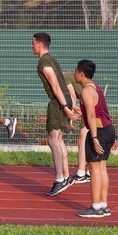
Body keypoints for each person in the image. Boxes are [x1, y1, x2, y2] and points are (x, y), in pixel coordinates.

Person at [32, 32, 79, 196]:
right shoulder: (51, 59)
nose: (31, 46)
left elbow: (56, 85)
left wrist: (65, 107)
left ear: (39, 44)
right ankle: (65, 176)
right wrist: (70, 104)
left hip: (57, 102)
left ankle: (60, 179)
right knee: (57, 140)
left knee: (52, 140)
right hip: (62, 101)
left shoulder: (45, 61)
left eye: (33, 43)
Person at [74, 60, 116, 218]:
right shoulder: (96, 88)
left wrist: (94, 137)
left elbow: (91, 115)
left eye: (76, 71)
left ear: (81, 73)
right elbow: (104, 111)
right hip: (107, 129)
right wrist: (110, 136)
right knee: (102, 168)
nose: (75, 73)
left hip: (98, 131)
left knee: (94, 170)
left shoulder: (86, 91)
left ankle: (96, 206)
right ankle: (104, 205)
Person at [62, 70, 90, 185]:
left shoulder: (65, 78)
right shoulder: (71, 75)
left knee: (82, 140)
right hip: (90, 104)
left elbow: (72, 95)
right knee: (90, 139)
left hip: (89, 106)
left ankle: (81, 174)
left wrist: (70, 116)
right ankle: (89, 172)